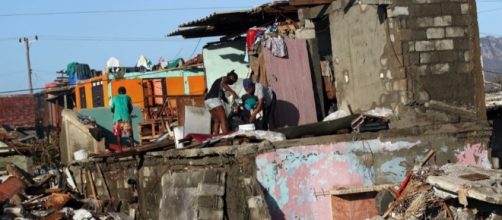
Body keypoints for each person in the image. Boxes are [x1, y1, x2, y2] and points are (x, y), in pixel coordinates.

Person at [205, 70, 238, 135]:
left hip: (207, 101)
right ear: (231, 77)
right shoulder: (225, 78)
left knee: (217, 121)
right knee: (223, 119)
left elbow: (223, 97)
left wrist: (231, 104)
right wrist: (233, 93)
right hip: (213, 99)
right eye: (234, 81)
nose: (233, 83)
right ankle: (227, 138)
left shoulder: (219, 83)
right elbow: (224, 84)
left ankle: (215, 138)